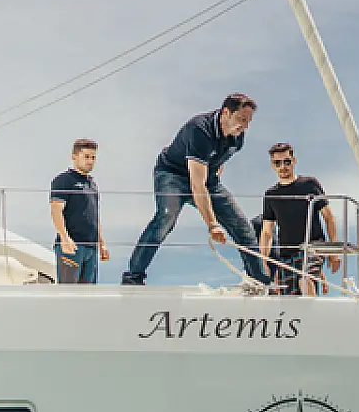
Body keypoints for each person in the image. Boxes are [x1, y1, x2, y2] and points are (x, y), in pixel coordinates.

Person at [121, 94, 269, 285]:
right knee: (166, 217)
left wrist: (216, 188)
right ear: (226, 112)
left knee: (243, 227)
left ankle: (258, 281)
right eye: (241, 119)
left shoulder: (237, 138)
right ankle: (133, 277)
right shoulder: (200, 130)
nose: (245, 126)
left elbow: (218, 162)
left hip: (208, 179)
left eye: (248, 121)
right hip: (173, 175)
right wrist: (212, 224)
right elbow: (197, 185)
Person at [259, 142, 340, 296]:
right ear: (272, 165)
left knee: (305, 279)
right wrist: (263, 260)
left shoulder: (309, 184)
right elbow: (267, 231)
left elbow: (329, 217)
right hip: (286, 254)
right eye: (277, 163)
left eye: (286, 161)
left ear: (294, 161)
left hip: (312, 247)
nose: (282, 166)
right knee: (289, 299)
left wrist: (333, 252)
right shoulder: (271, 194)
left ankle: (313, 310)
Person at [49, 138, 109, 284]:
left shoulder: (92, 184)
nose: (90, 161)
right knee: (69, 292)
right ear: (74, 156)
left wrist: (101, 243)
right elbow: (56, 210)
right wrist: (64, 238)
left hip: (91, 248)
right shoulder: (63, 180)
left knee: (89, 294)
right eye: (86, 157)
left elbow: (94, 216)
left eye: (93, 157)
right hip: (72, 246)